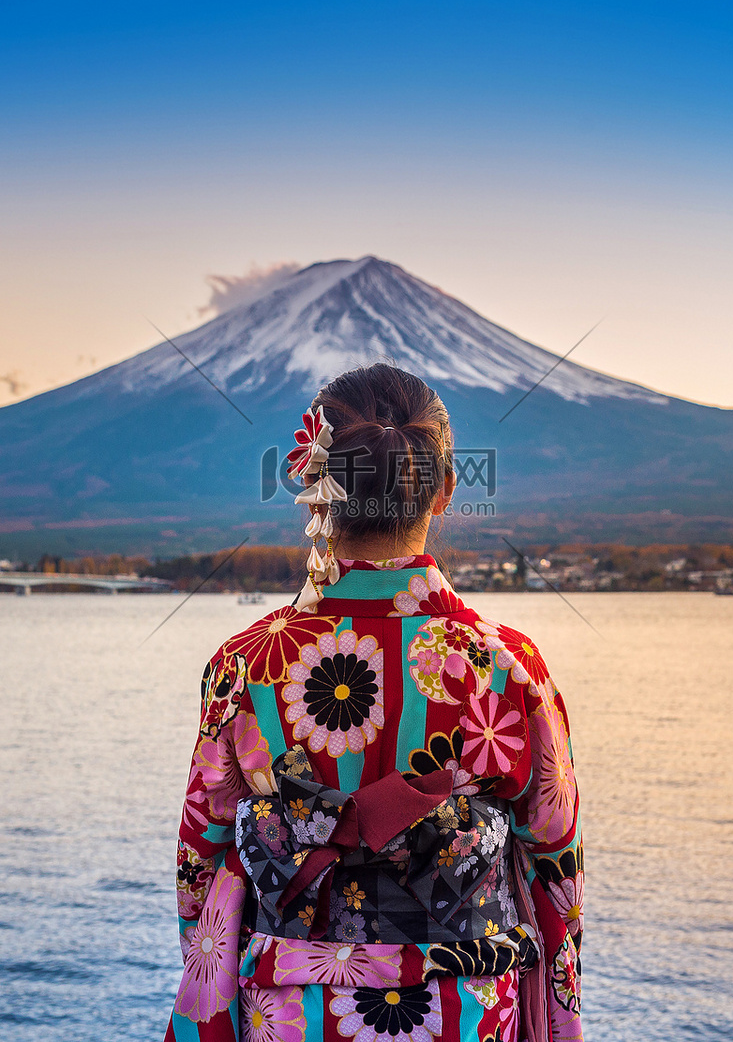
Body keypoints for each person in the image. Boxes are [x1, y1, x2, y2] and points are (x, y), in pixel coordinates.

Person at [164, 364, 583, 1042]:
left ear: (317, 490)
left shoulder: (246, 664)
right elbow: (555, 877)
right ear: (446, 489)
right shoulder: (508, 668)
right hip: (464, 1010)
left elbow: (198, 865)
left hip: (291, 1009)